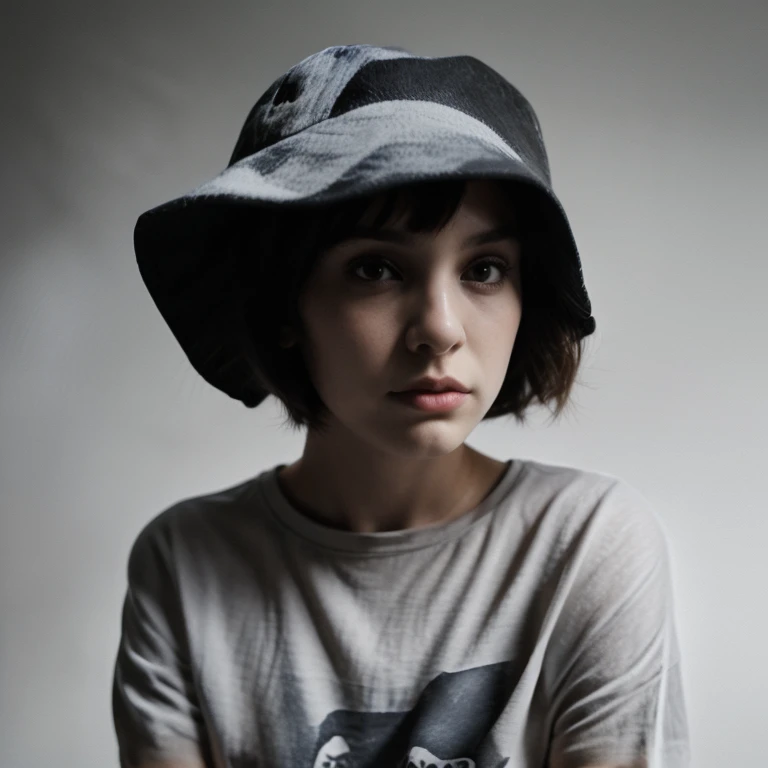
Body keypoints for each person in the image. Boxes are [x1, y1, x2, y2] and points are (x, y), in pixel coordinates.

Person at [113, 44, 690, 768]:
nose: (441, 329)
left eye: (484, 269)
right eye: (376, 268)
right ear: (285, 300)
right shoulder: (185, 564)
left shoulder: (588, 547)